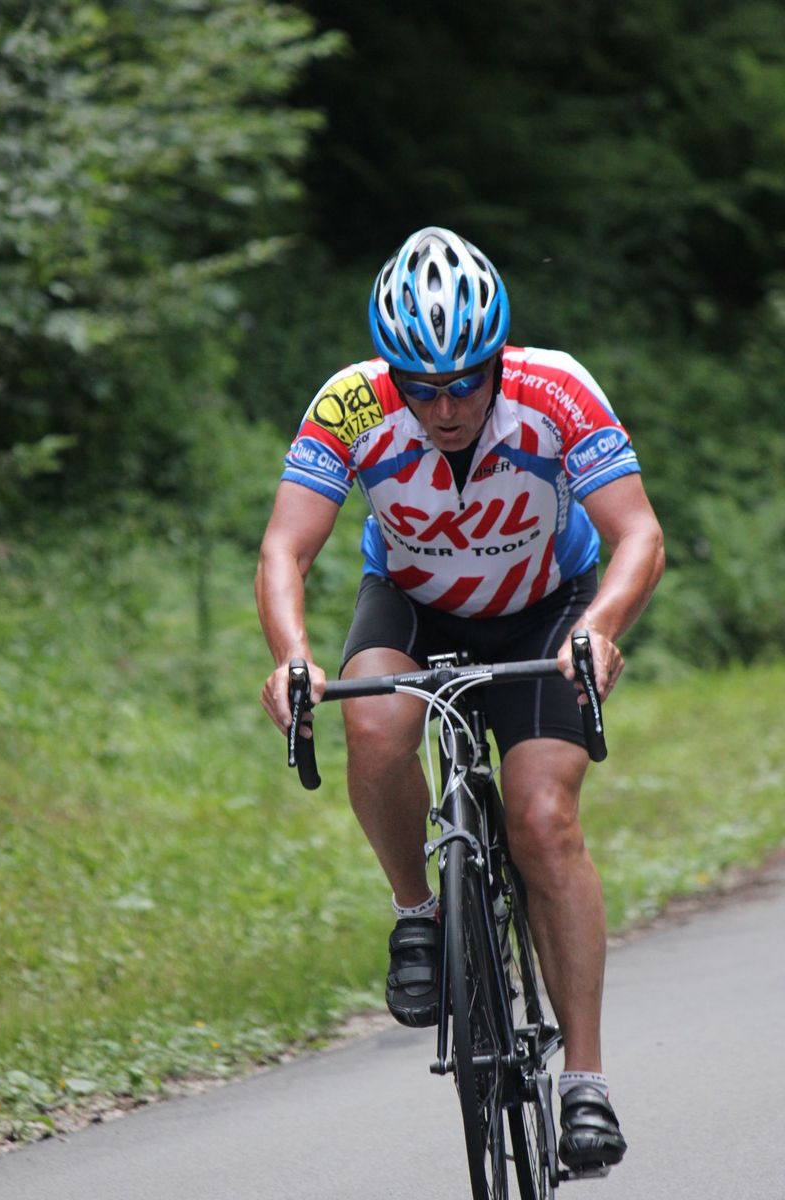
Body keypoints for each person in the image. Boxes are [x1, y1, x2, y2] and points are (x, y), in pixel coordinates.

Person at [255, 226, 664, 1171]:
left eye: (464, 383)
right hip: (413, 601)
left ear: (497, 360)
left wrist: (600, 627)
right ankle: (419, 913)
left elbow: (638, 534)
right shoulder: (352, 403)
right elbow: (285, 547)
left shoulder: (556, 390)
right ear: (391, 374)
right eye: (420, 387)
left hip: (545, 610)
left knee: (544, 821)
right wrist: (292, 657)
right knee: (373, 722)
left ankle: (586, 1081)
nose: (443, 408)